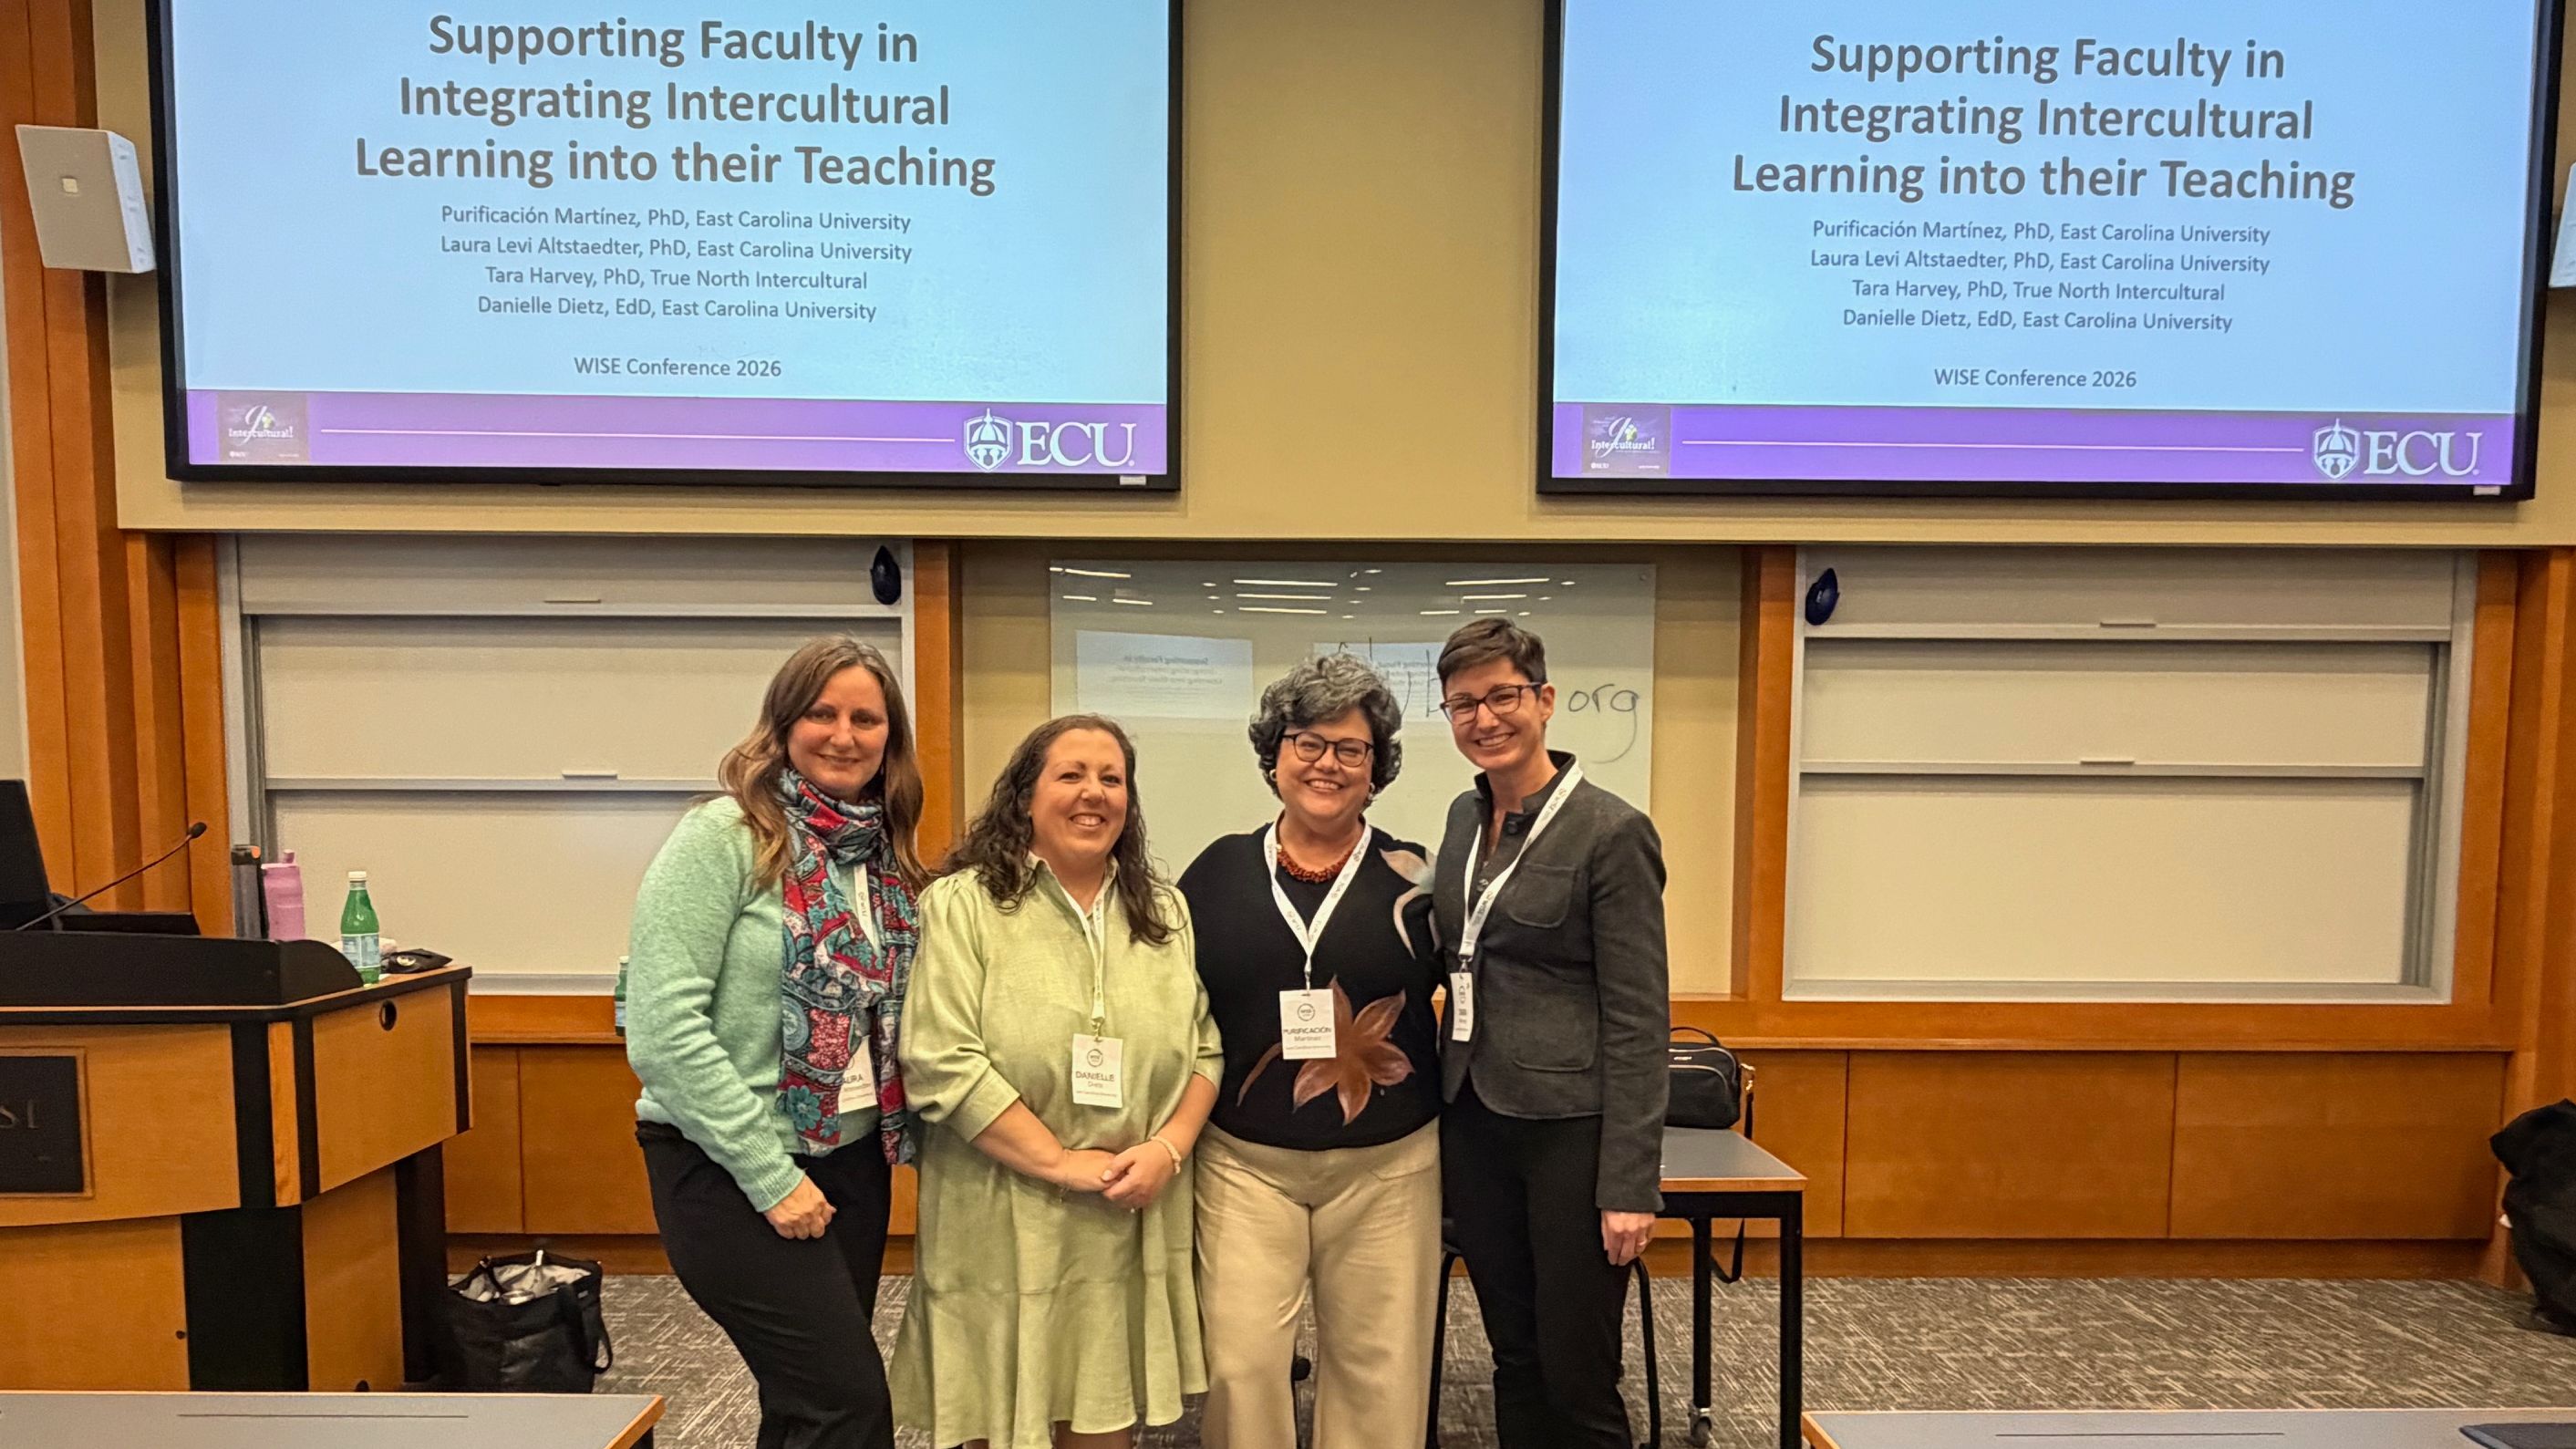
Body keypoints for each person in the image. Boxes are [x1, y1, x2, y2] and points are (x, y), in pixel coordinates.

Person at [626, 637, 928, 1449]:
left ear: (890, 738)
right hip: (731, 1166)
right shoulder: (723, 836)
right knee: (847, 1405)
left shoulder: (884, 857)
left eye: (866, 719)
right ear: (783, 723)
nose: (844, 735)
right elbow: (662, 1031)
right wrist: (769, 1175)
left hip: (850, 1162)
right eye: (822, 713)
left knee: (803, 1404)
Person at [893, 714, 1223, 1449]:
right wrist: (1059, 1161)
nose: (1093, 792)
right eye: (1070, 774)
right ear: (1025, 796)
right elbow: (940, 1057)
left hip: (1124, 1212)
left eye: (1111, 778)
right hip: (1000, 1211)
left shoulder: (1163, 910)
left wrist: (1167, 1149)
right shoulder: (963, 903)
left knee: (1103, 1419)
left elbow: (1205, 1048)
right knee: (998, 1415)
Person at [1176, 655, 1444, 1448]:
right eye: (1307, 742)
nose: (1327, 762)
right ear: (1274, 754)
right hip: (1244, 1164)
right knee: (1240, 1366)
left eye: (1350, 748)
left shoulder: (1418, 878)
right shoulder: (1215, 871)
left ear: (1376, 767)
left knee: (1379, 1371)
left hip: (1388, 1165)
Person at [1430, 617, 1670, 1449]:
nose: (1484, 718)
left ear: (1544, 700)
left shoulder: (1611, 830)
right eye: (1463, 703)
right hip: (1475, 1121)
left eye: (1502, 696)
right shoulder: (1462, 821)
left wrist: (1630, 1183)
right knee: (1515, 1356)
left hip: (1570, 1132)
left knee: (1576, 1371)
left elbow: (1639, 1016)